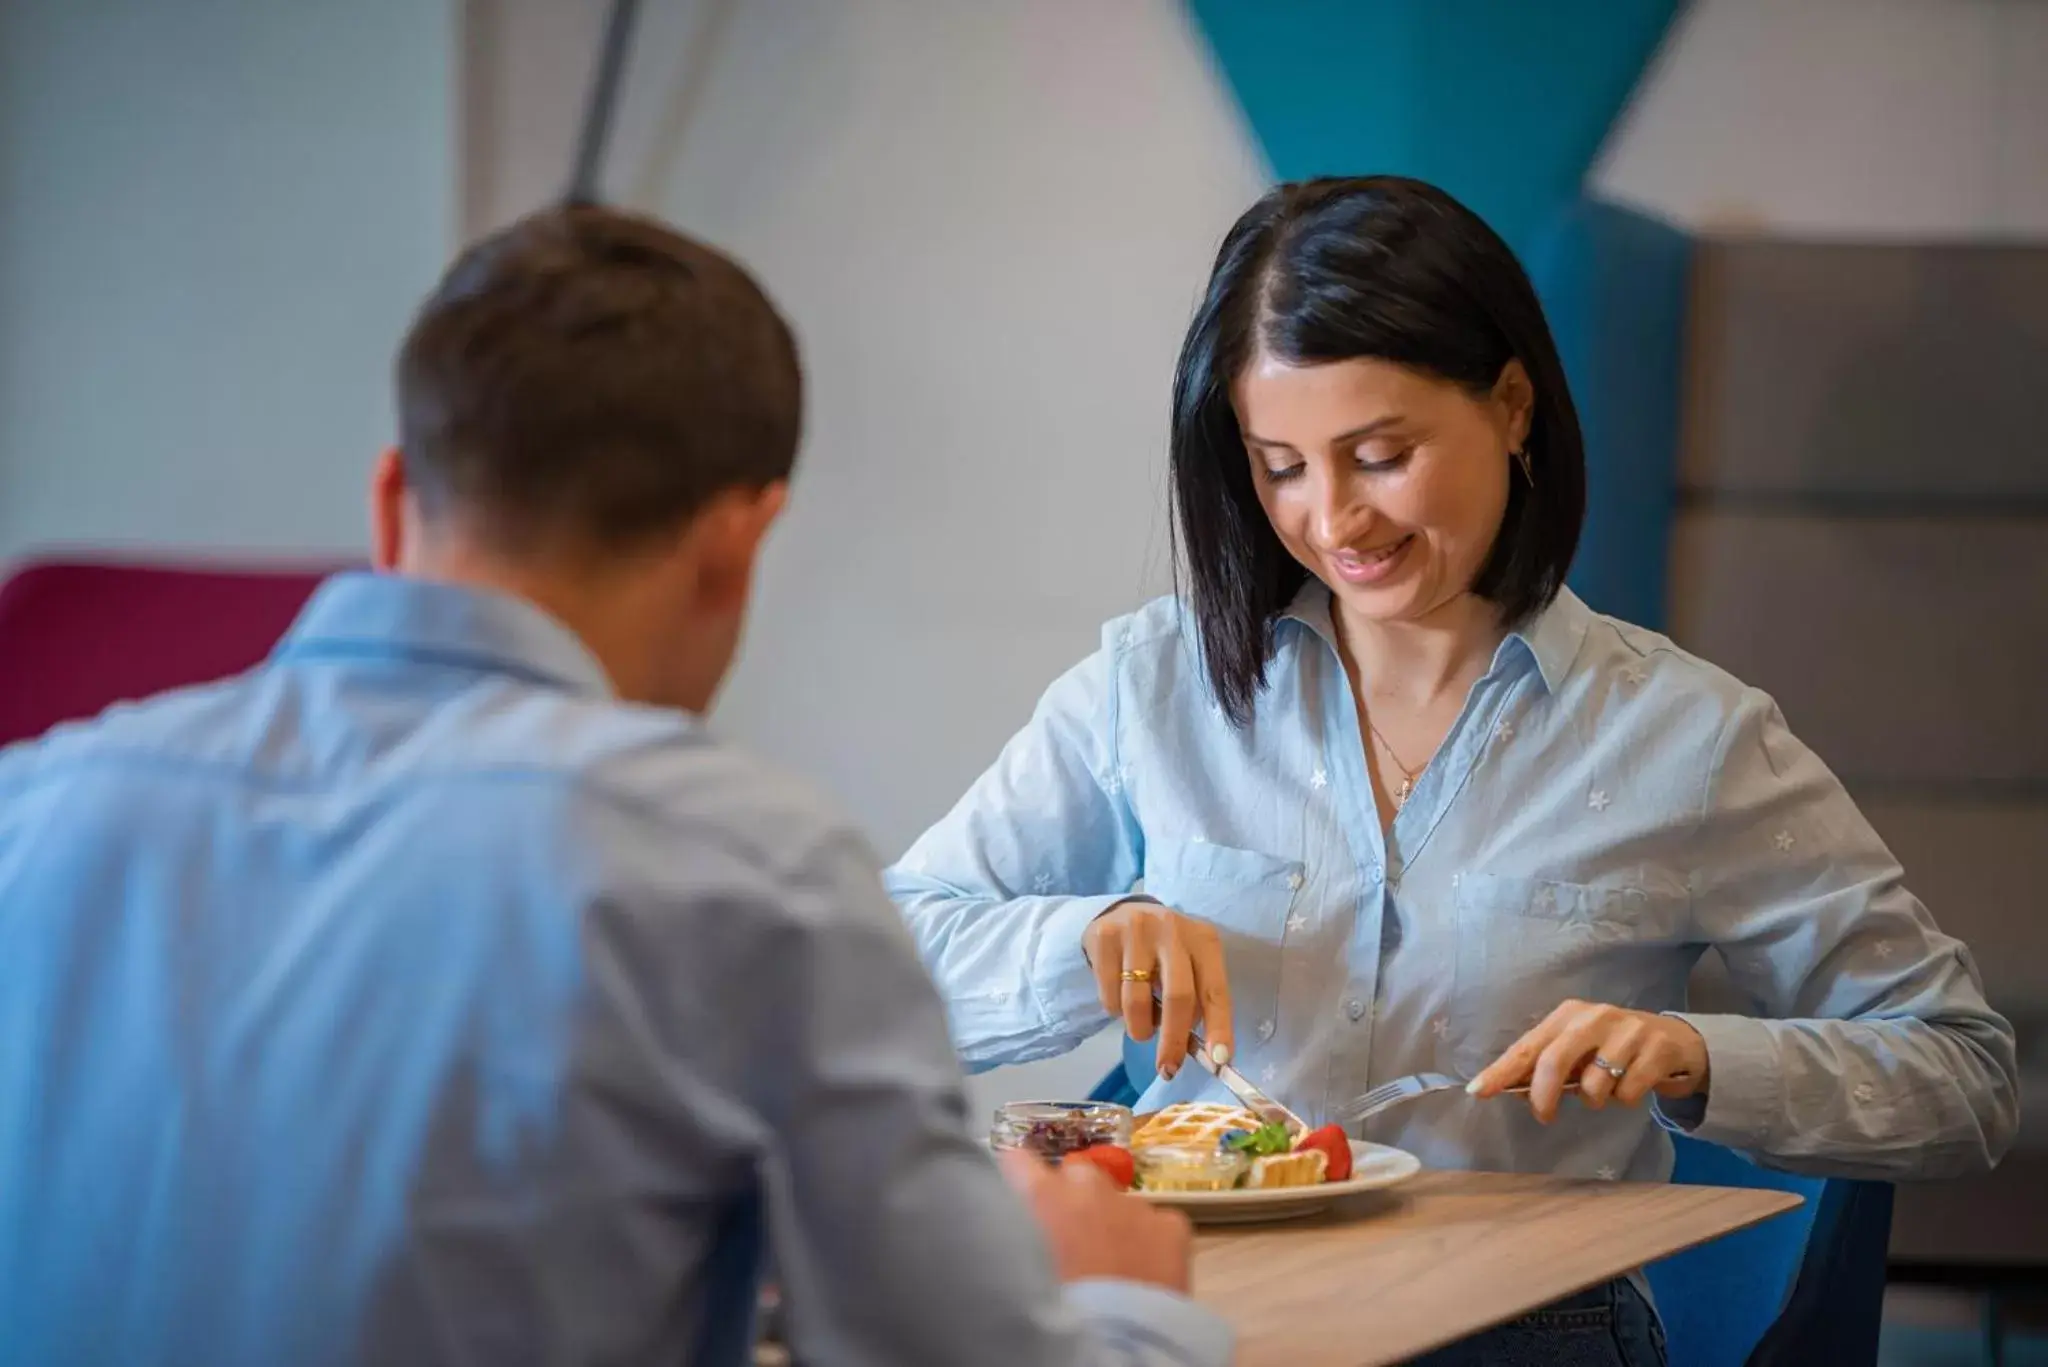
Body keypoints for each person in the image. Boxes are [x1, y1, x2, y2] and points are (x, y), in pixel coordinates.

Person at [0, 205, 1231, 1367]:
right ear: (738, 542)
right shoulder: (742, 866)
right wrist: (1119, 1301)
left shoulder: (35, 804)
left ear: (389, 502)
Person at [887, 176, 2020, 1365]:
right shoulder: (1151, 686)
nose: (1332, 520)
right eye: (1278, 465)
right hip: (1193, 1306)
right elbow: (891, 959)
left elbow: (1961, 1070)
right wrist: (1087, 937)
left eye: (1378, 455)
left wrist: (1695, 1058)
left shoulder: (1687, 734)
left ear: (1513, 405)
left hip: (1526, 1326)